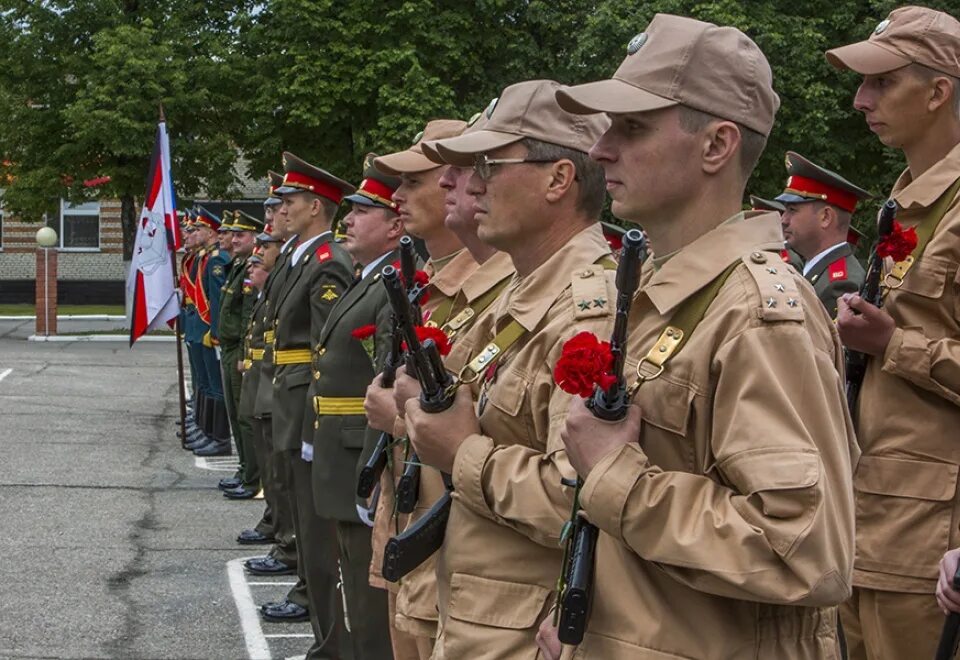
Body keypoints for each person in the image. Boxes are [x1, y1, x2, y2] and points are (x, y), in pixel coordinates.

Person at [533, 13, 856, 658]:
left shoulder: (760, 315)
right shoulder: (665, 294)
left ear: (716, 145)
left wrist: (618, 477)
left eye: (631, 128)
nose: (599, 150)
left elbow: (807, 554)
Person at [396, 78, 612, 657]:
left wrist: (460, 450)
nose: (467, 184)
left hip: (524, 630)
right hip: (480, 618)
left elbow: (585, 499)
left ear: (558, 179)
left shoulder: (590, 309)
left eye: (489, 164)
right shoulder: (524, 297)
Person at [826, 7, 960, 659]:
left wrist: (893, 345)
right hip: (871, 525)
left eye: (882, 82)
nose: (861, 101)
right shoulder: (905, 202)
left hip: (932, 551)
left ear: (938, 92)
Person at [307, 154, 403, 659]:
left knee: (370, 612)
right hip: (340, 455)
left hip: (358, 461)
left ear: (394, 226)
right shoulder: (369, 278)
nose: (346, 220)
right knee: (355, 602)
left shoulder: (393, 285)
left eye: (362, 211)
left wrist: (371, 474)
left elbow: (383, 387)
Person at [269, 152, 356, 658]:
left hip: (309, 402)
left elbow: (328, 348)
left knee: (321, 542)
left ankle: (329, 642)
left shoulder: (329, 263)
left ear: (317, 208)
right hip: (290, 394)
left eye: (293, 201)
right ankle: (324, 637)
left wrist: (312, 420)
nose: (284, 210)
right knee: (305, 524)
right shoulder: (303, 257)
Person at [775, 151, 871, 318]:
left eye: (792, 210)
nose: (783, 220)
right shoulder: (819, 272)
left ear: (825, 217)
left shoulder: (840, 285)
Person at [219, 210, 266, 499]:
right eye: (233, 234)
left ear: (255, 239)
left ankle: (252, 478)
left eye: (241, 235)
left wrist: (245, 354)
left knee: (245, 416)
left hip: (239, 349)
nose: (234, 240)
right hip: (229, 346)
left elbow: (250, 313)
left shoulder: (251, 267)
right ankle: (244, 468)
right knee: (236, 415)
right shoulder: (238, 266)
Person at [190, 207, 233, 457]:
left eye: (198, 230)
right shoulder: (205, 256)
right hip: (199, 324)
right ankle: (205, 430)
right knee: (205, 382)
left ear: (210, 232)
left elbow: (217, 299)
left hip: (208, 327)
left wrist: (215, 331)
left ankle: (219, 437)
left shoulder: (217, 259)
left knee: (215, 386)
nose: (192, 234)